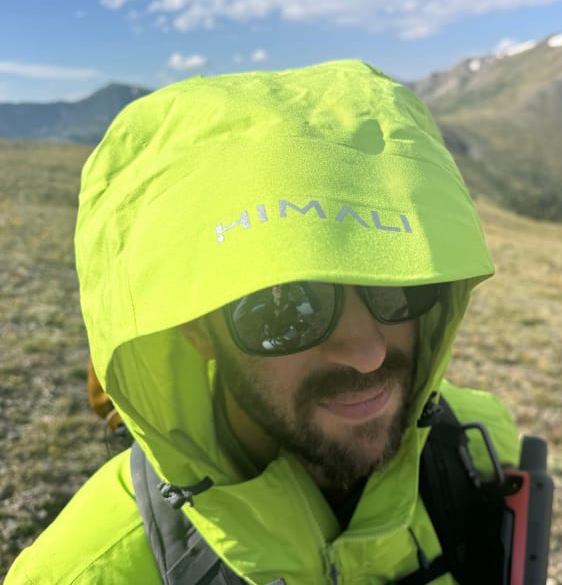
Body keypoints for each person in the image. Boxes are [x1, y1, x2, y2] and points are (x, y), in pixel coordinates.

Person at [7, 60, 522, 584]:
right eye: (287, 308)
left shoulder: (481, 443)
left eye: (397, 287)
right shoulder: (83, 572)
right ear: (196, 327)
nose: (367, 352)